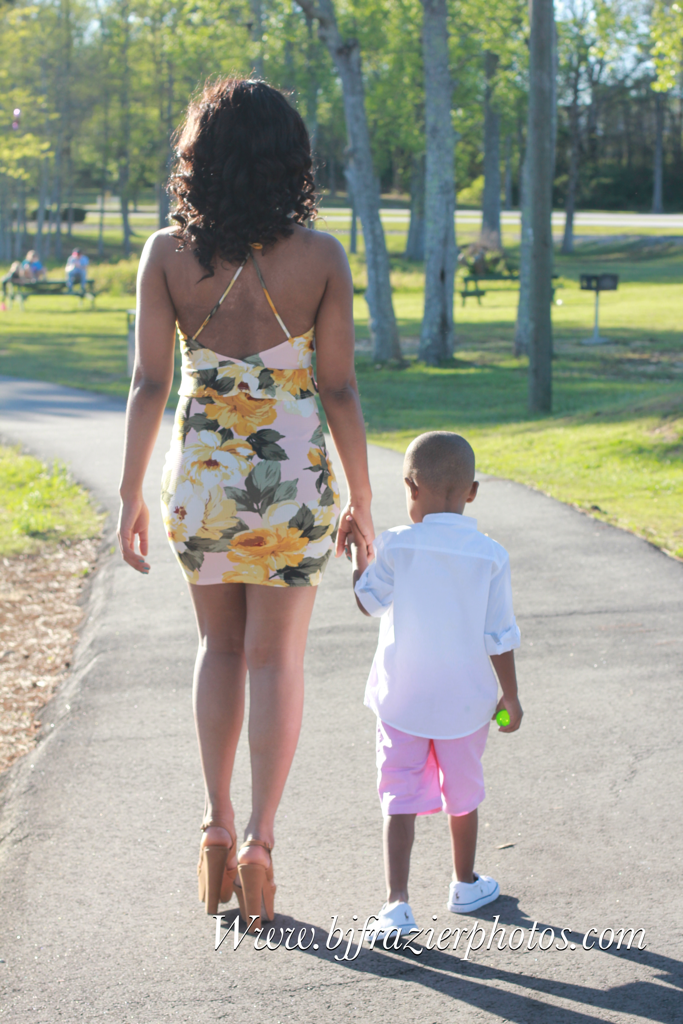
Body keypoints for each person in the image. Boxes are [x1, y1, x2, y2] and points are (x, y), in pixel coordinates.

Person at [117, 77, 374, 931]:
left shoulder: (165, 254)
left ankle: (214, 824)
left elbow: (149, 383)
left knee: (217, 648)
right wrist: (363, 500)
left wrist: (129, 495)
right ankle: (261, 840)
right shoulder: (322, 259)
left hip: (201, 480)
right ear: (288, 160)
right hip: (292, 483)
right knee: (275, 659)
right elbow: (338, 389)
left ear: (201, 159)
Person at [347, 431, 522, 939]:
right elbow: (499, 635)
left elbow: (368, 602)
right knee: (463, 794)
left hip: (402, 700)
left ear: (411, 487)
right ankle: (464, 884)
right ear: (472, 491)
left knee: (398, 795)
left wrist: (359, 555)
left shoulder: (398, 544)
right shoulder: (491, 555)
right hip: (466, 705)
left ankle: (396, 904)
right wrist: (510, 696)